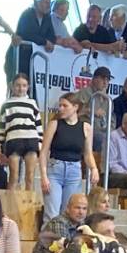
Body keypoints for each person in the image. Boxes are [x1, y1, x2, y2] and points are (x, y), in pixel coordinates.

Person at [39, 91, 93, 220]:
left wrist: (94, 168)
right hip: (55, 168)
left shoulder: (86, 127)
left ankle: (67, 234)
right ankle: (49, 234)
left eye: (65, 105)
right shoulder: (54, 124)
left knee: (70, 213)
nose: (61, 108)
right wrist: (44, 176)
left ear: (75, 107)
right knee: (52, 213)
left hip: (74, 170)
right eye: (60, 105)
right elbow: (44, 152)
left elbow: (88, 153)